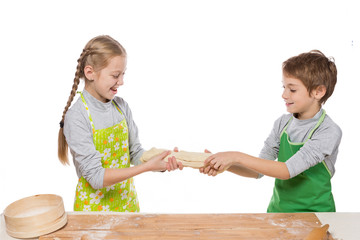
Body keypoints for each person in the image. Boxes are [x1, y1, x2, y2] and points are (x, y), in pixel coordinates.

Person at [200, 50, 341, 213]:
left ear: (318, 92)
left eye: (292, 90)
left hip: (317, 217)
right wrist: (225, 164)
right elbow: (258, 171)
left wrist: (235, 156)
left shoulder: (328, 132)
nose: (284, 94)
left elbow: (286, 171)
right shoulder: (282, 123)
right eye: (284, 87)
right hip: (278, 213)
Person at [58, 35, 183, 212]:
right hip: (93, 212)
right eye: (115, 75)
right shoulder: (77, 117)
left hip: (127, 205)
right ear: (90, 73)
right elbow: (96, 177)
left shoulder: (121, 106)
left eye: (123, 74)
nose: (122, 82)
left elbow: (134, 152)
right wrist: (146, 167)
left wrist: (160, 160)